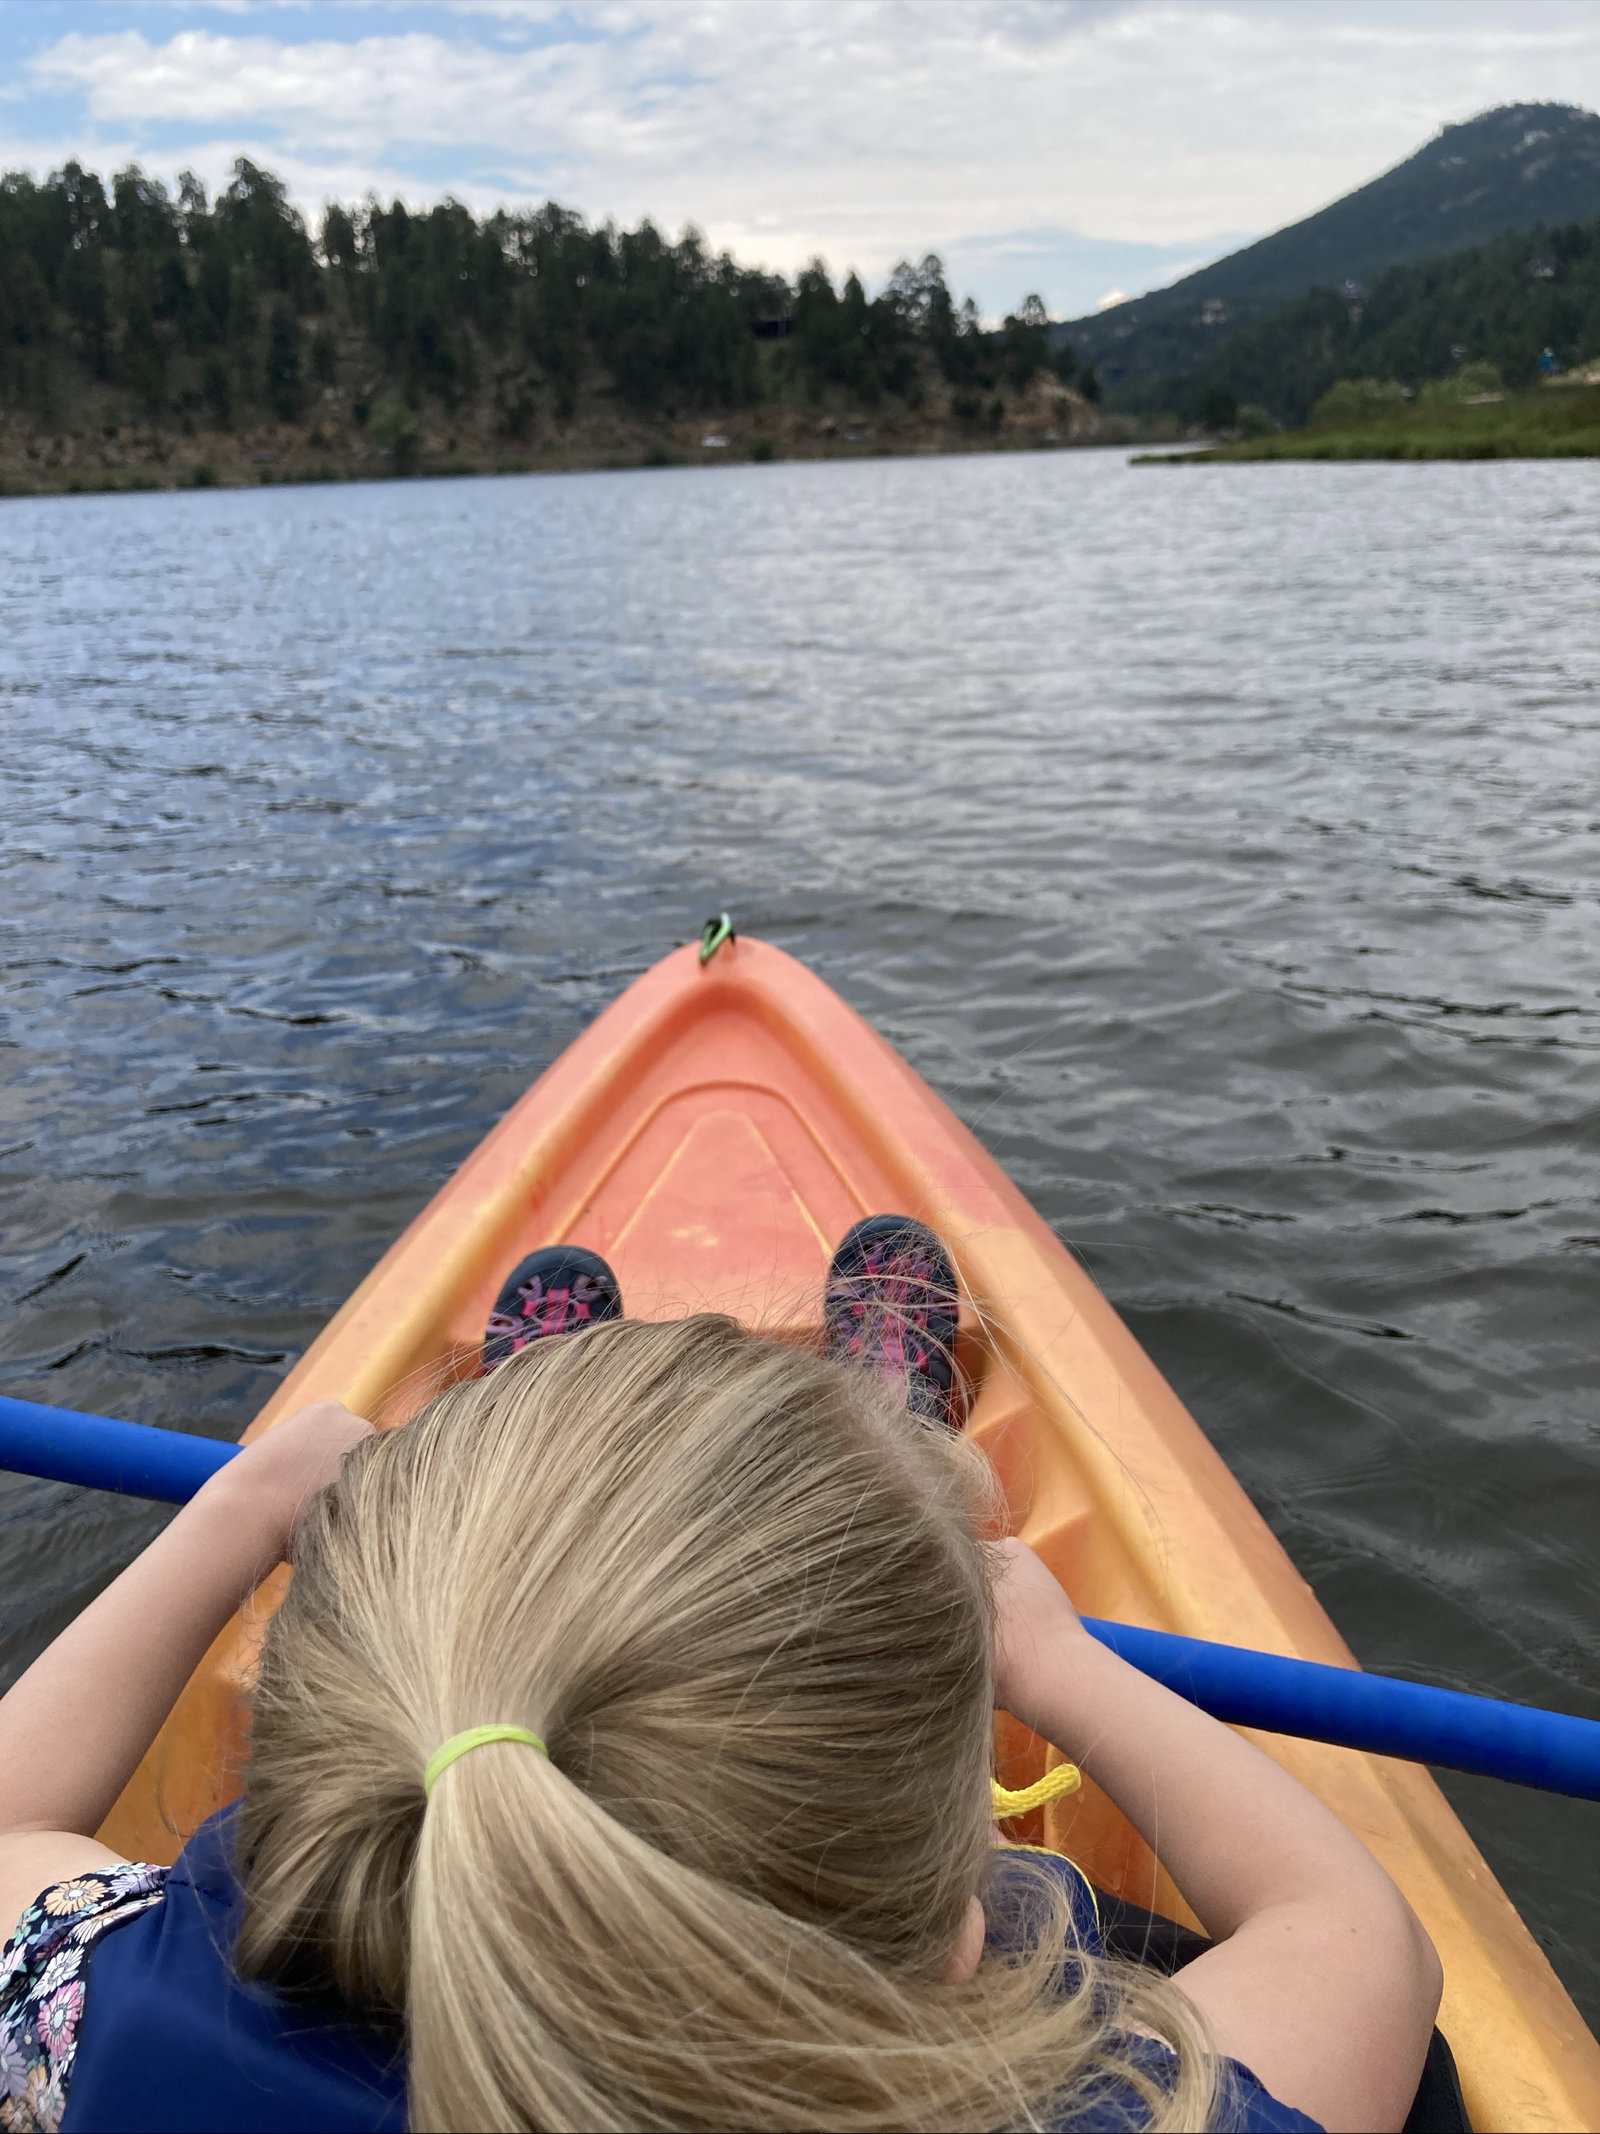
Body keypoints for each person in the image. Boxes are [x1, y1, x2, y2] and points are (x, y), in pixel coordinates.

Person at [0, 1218, 1443, 2133]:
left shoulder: (126, 2012)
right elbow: (1354, 1939)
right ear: (953, 1919)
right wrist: (1060, 1662)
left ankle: (557, 1444)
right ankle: (880, 1417)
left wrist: (246, 1504)